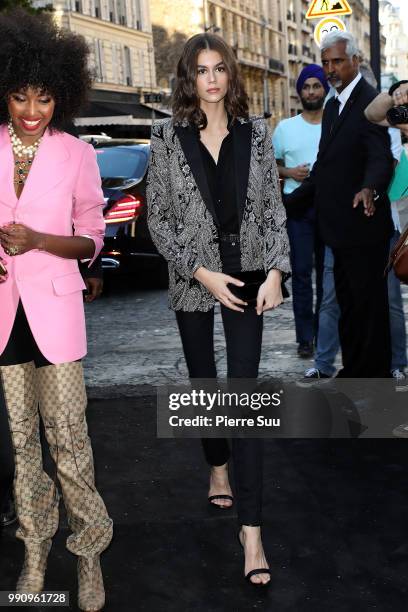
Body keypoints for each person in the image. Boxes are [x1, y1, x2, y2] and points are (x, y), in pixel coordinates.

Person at [147, 33, 290, 585]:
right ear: (189, 77)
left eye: (220, 68)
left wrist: (276, 271)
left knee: (244, 397)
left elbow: (273, 211)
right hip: (194, 280)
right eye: (201, 69)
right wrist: (200, 272)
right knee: (205, 380)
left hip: (250, 278)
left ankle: (251, 531)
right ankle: (217, 464)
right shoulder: (165, 137)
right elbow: (158, 218)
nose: (212, 78)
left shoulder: (257, 137)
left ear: (231, 76)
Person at [0, 10, 112, 611]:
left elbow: (93, 238)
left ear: (60, 95)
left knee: (69, 439)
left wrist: (39, 240)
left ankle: (89, 553)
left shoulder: (75, 154)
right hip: (3, 319)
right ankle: (36, 548)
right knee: (22, 445)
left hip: (56, 312)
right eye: (20, 96)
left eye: (44, 97)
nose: (32, 109)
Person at [285, 31, 394, 377]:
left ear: (355, 62)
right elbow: (324, 166)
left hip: (364, 226)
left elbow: (380, 157)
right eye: (326, 62)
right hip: (338, 229)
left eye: (337, 61)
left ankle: (373, 379)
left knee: (370, 309)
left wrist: (369, 188)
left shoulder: (370, 99)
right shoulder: (333, 105)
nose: (330, 69)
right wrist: (285, 202)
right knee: (348, 306)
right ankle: (355, 370)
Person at [273, 65, 328, 358]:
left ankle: (325, 332)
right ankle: (305, 337)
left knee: (328, 275)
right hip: (298, 209)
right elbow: (271, 165)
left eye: (316, 86)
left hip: (330, 207)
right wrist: (290, 171)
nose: (311, 92)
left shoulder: (334, 125)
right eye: (306, 87)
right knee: (303, 274)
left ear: (324, 90)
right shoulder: (284, 128)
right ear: (299, 92)